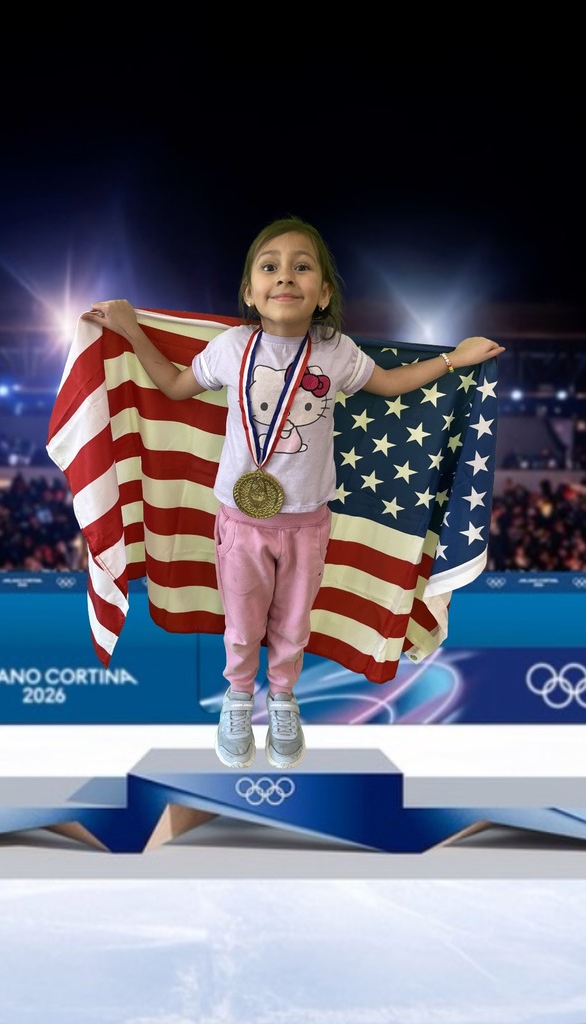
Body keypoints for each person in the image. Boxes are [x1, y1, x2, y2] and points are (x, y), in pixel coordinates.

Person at [84, 216, 505, 770]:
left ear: (323, 293)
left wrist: (454, 360)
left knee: (293, 625)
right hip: (240, 522)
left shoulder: (334, 351)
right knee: (242, 624)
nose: (286, 276)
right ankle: (238, 698)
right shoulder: (233, 347)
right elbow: (175, 386)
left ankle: (281, 697)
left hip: (308, 524)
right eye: (270, 266)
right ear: (250, 292)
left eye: (302, 267)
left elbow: (389, 383)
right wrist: (131, 329)